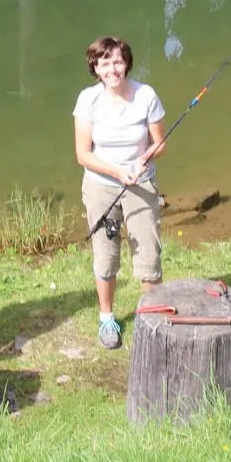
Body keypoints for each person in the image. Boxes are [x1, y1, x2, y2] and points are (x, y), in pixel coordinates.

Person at [74, 36, 167, 350]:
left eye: (117, 61)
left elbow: (160, 143)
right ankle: (106, 318)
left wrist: (145, 159)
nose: (112, 69)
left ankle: (152, 318)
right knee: (106, 252)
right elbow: (82, 154)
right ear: (96, 68)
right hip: (102, 187)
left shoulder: (146, 95)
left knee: (148, 253)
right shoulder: (88, 100)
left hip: (141, 183)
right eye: (104, 63)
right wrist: (117, 172)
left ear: (126, 63)